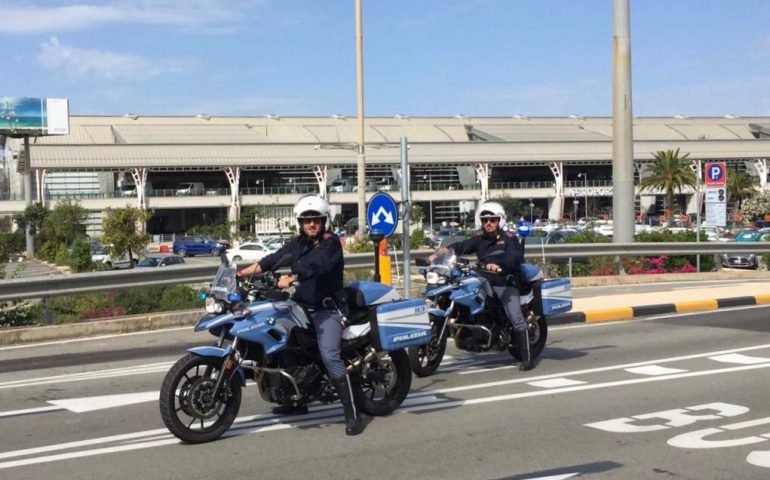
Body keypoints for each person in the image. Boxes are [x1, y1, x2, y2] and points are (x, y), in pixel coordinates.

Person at [237, 194, 365, 435]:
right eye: (307, 220)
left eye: (315, 219)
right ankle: (296, 401)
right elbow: (272, 259)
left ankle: (353, 414)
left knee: (329, 356)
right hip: (301, 305)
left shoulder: (331, 244)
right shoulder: (297, 243)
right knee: (285, 346)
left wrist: (293, 277)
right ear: (300, 223)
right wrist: (242, 273)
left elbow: (318, 266)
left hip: (328, 308)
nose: (311, 224)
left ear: (324, 221)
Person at [431, 201, 536, 371]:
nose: (488, 223)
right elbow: (463, 245)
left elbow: (515, 258)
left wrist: (497, 265)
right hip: (483, 279)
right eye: (485, 220)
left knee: (516, 317)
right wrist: (445, 251)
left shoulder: (510, 239)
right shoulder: (480, 238)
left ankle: (527, 358)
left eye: (492, 220)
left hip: (504, 281)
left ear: (499, 221)